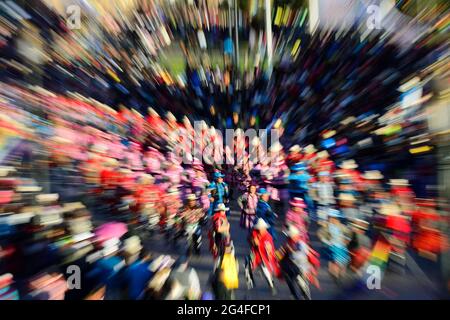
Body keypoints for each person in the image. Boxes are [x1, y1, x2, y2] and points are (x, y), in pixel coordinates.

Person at [247, 218, 280, 294]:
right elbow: (249, 239)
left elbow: (269, 248)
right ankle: (270, 281)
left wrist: (259, 244)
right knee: (260, 269)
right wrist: (253, 241)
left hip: (265, 257)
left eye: (262, 228)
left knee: (265, 270)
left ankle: (271, 285)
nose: (260, 230)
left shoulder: (268, 236)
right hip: (257, 255)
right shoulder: (254, 233)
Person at [317, 209, 350, 282]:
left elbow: (348, 233)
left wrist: (347, 240)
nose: (332, 220)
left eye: (334, 218)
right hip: (332, 246)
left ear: (337, 218)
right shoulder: (327, 226)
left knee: (343, 261)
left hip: (341, 245)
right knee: (334, 261)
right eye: (331, 218)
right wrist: (325, 241)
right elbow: (320, 234)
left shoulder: (341, 226)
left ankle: (340, 274)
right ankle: (334, 274)